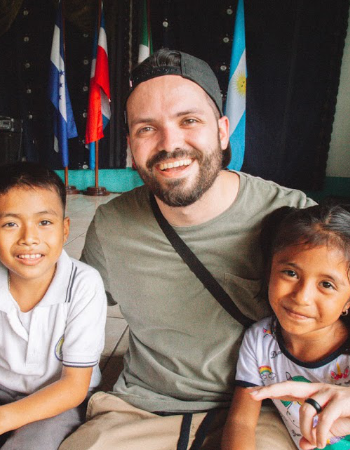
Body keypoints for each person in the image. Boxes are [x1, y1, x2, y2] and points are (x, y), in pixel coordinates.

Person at [60, 49, 315, 450]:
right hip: (141, 409)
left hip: (269, 410)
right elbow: (69, 315)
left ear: (223, 130)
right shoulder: (112, 226)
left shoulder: (298, 221)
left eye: (189, 120)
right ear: (130, 143)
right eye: (147, 128)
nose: (169, 143)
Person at [222, 204, 350, 450]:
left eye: (326, 284)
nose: (301, 297)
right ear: (270, 270)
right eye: (290, 273)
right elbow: (241, 422)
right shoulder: (260, 341)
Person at [0, 162, 107, 450]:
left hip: (59, 397)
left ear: (64, 229)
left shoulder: (83, 284)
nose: (29, 238)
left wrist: (5, 418)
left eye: (44, 222)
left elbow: (73, 386)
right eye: (10, 224)